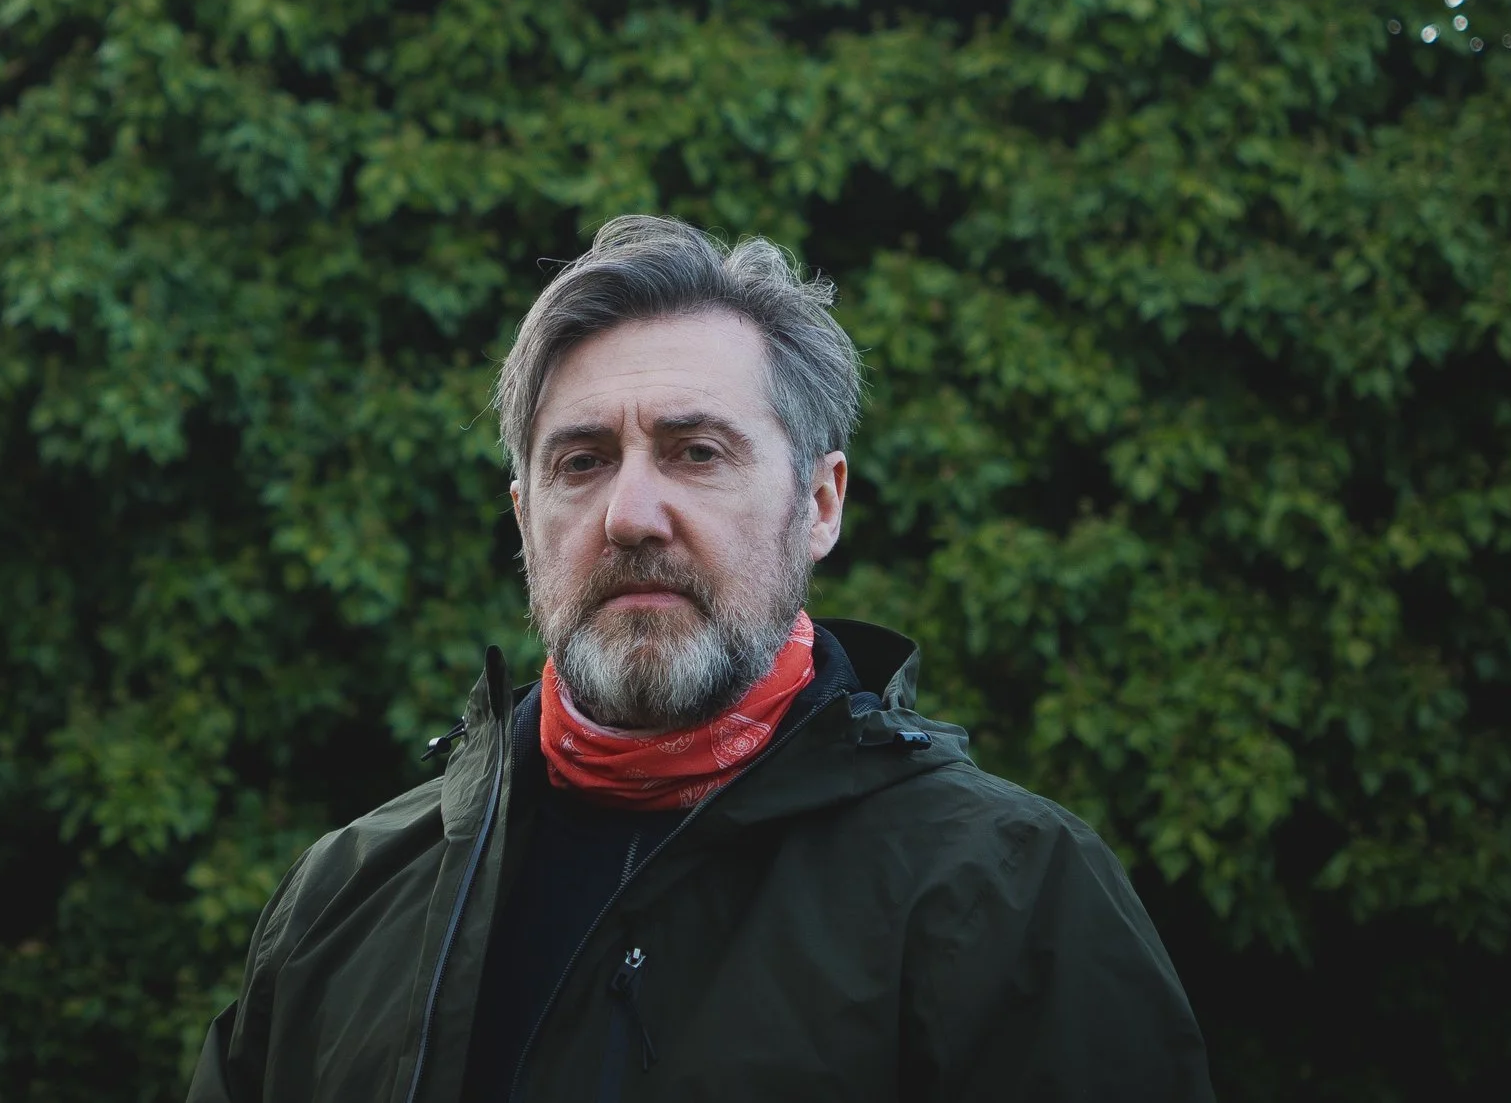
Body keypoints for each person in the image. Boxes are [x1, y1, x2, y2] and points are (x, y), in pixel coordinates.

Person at [188, 216, 1213, 1102]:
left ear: (820, 502)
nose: (631, 514)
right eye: (581, 462)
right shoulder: (344, 897)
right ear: (524, 516)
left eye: (697, 451)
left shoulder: (1009, 896)